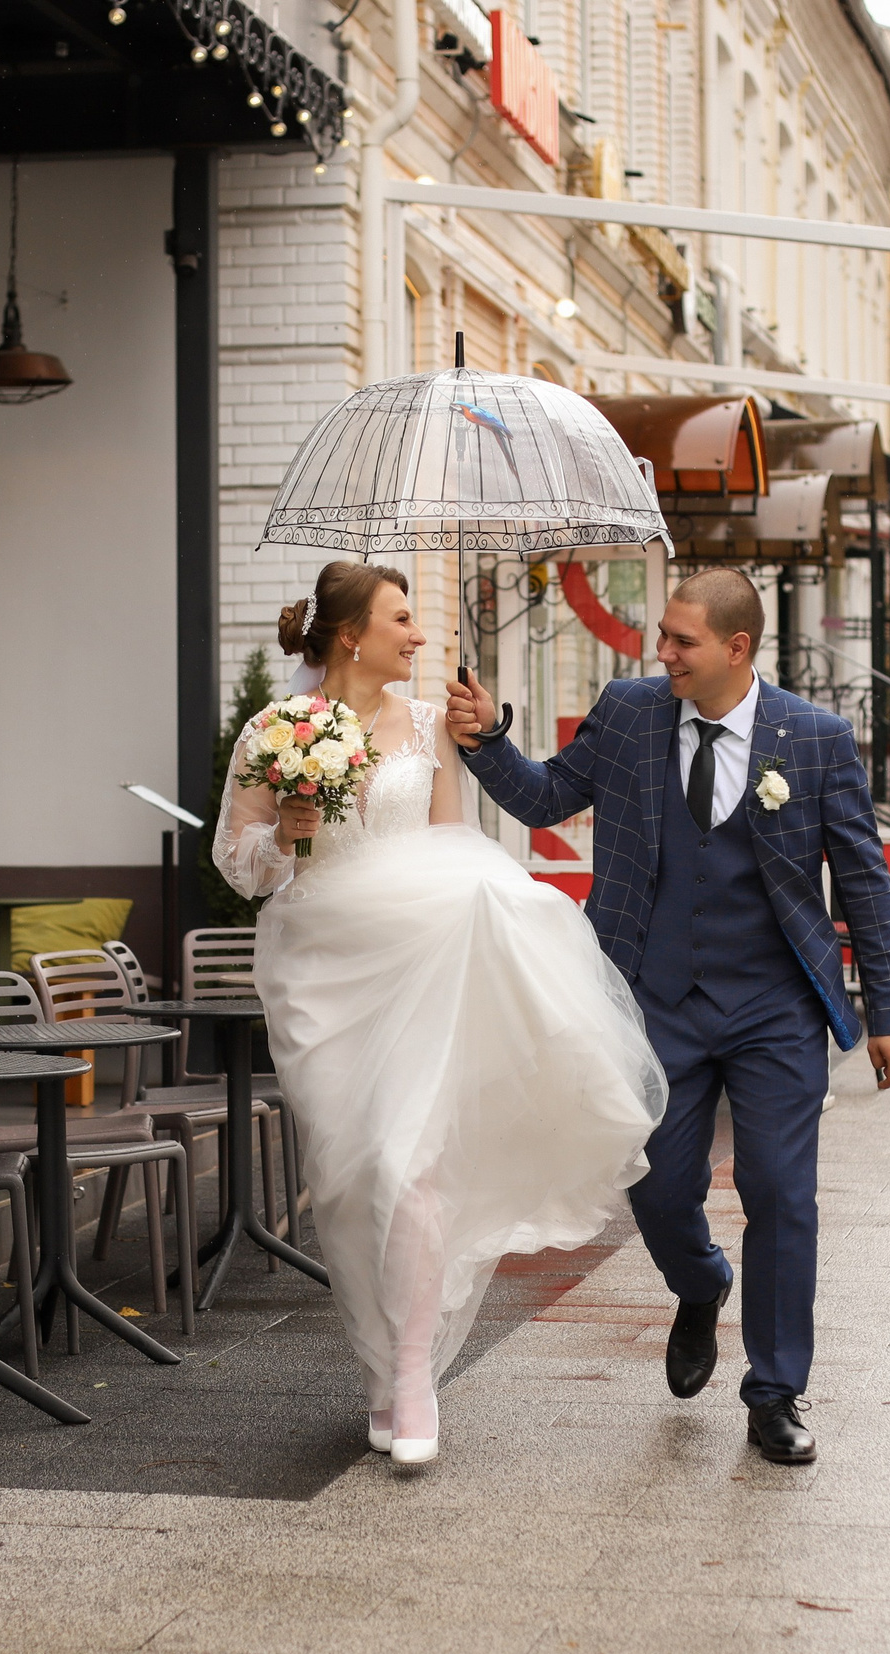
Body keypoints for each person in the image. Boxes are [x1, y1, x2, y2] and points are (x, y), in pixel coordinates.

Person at [447, 568, 890, 1467]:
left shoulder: (815, 739)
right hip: (655, 999)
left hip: (776, 1007)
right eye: (662, 635)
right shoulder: (630, 714)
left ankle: (774, 1390)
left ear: (737, 648)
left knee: (781, 1193)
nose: (661, 652)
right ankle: (700, 1282)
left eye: (681, 640)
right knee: (657, 1189)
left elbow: (862, 879)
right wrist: (487, 739)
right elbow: (547, 795)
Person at [213, 562, 667, 1467]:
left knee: (409, 1162)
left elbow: (457, 845)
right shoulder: (273, 731)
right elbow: (238, 862)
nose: (418, 635)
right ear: (352, 635)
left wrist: (515, 914)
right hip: (321, 973)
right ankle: (379, 1369)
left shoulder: (428, 727)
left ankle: (414, 1372)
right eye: (401, 618)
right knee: (348, 1175)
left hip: (420, 965)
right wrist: (288, 832)